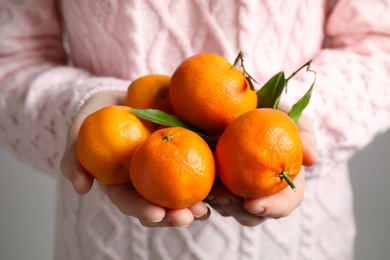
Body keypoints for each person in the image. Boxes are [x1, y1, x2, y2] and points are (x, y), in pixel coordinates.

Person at [1, 0, 389, 259]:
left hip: (300, 244)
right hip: (104, 244)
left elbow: (380, 43)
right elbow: (11, 57)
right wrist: (81, 111)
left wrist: (297, 120)